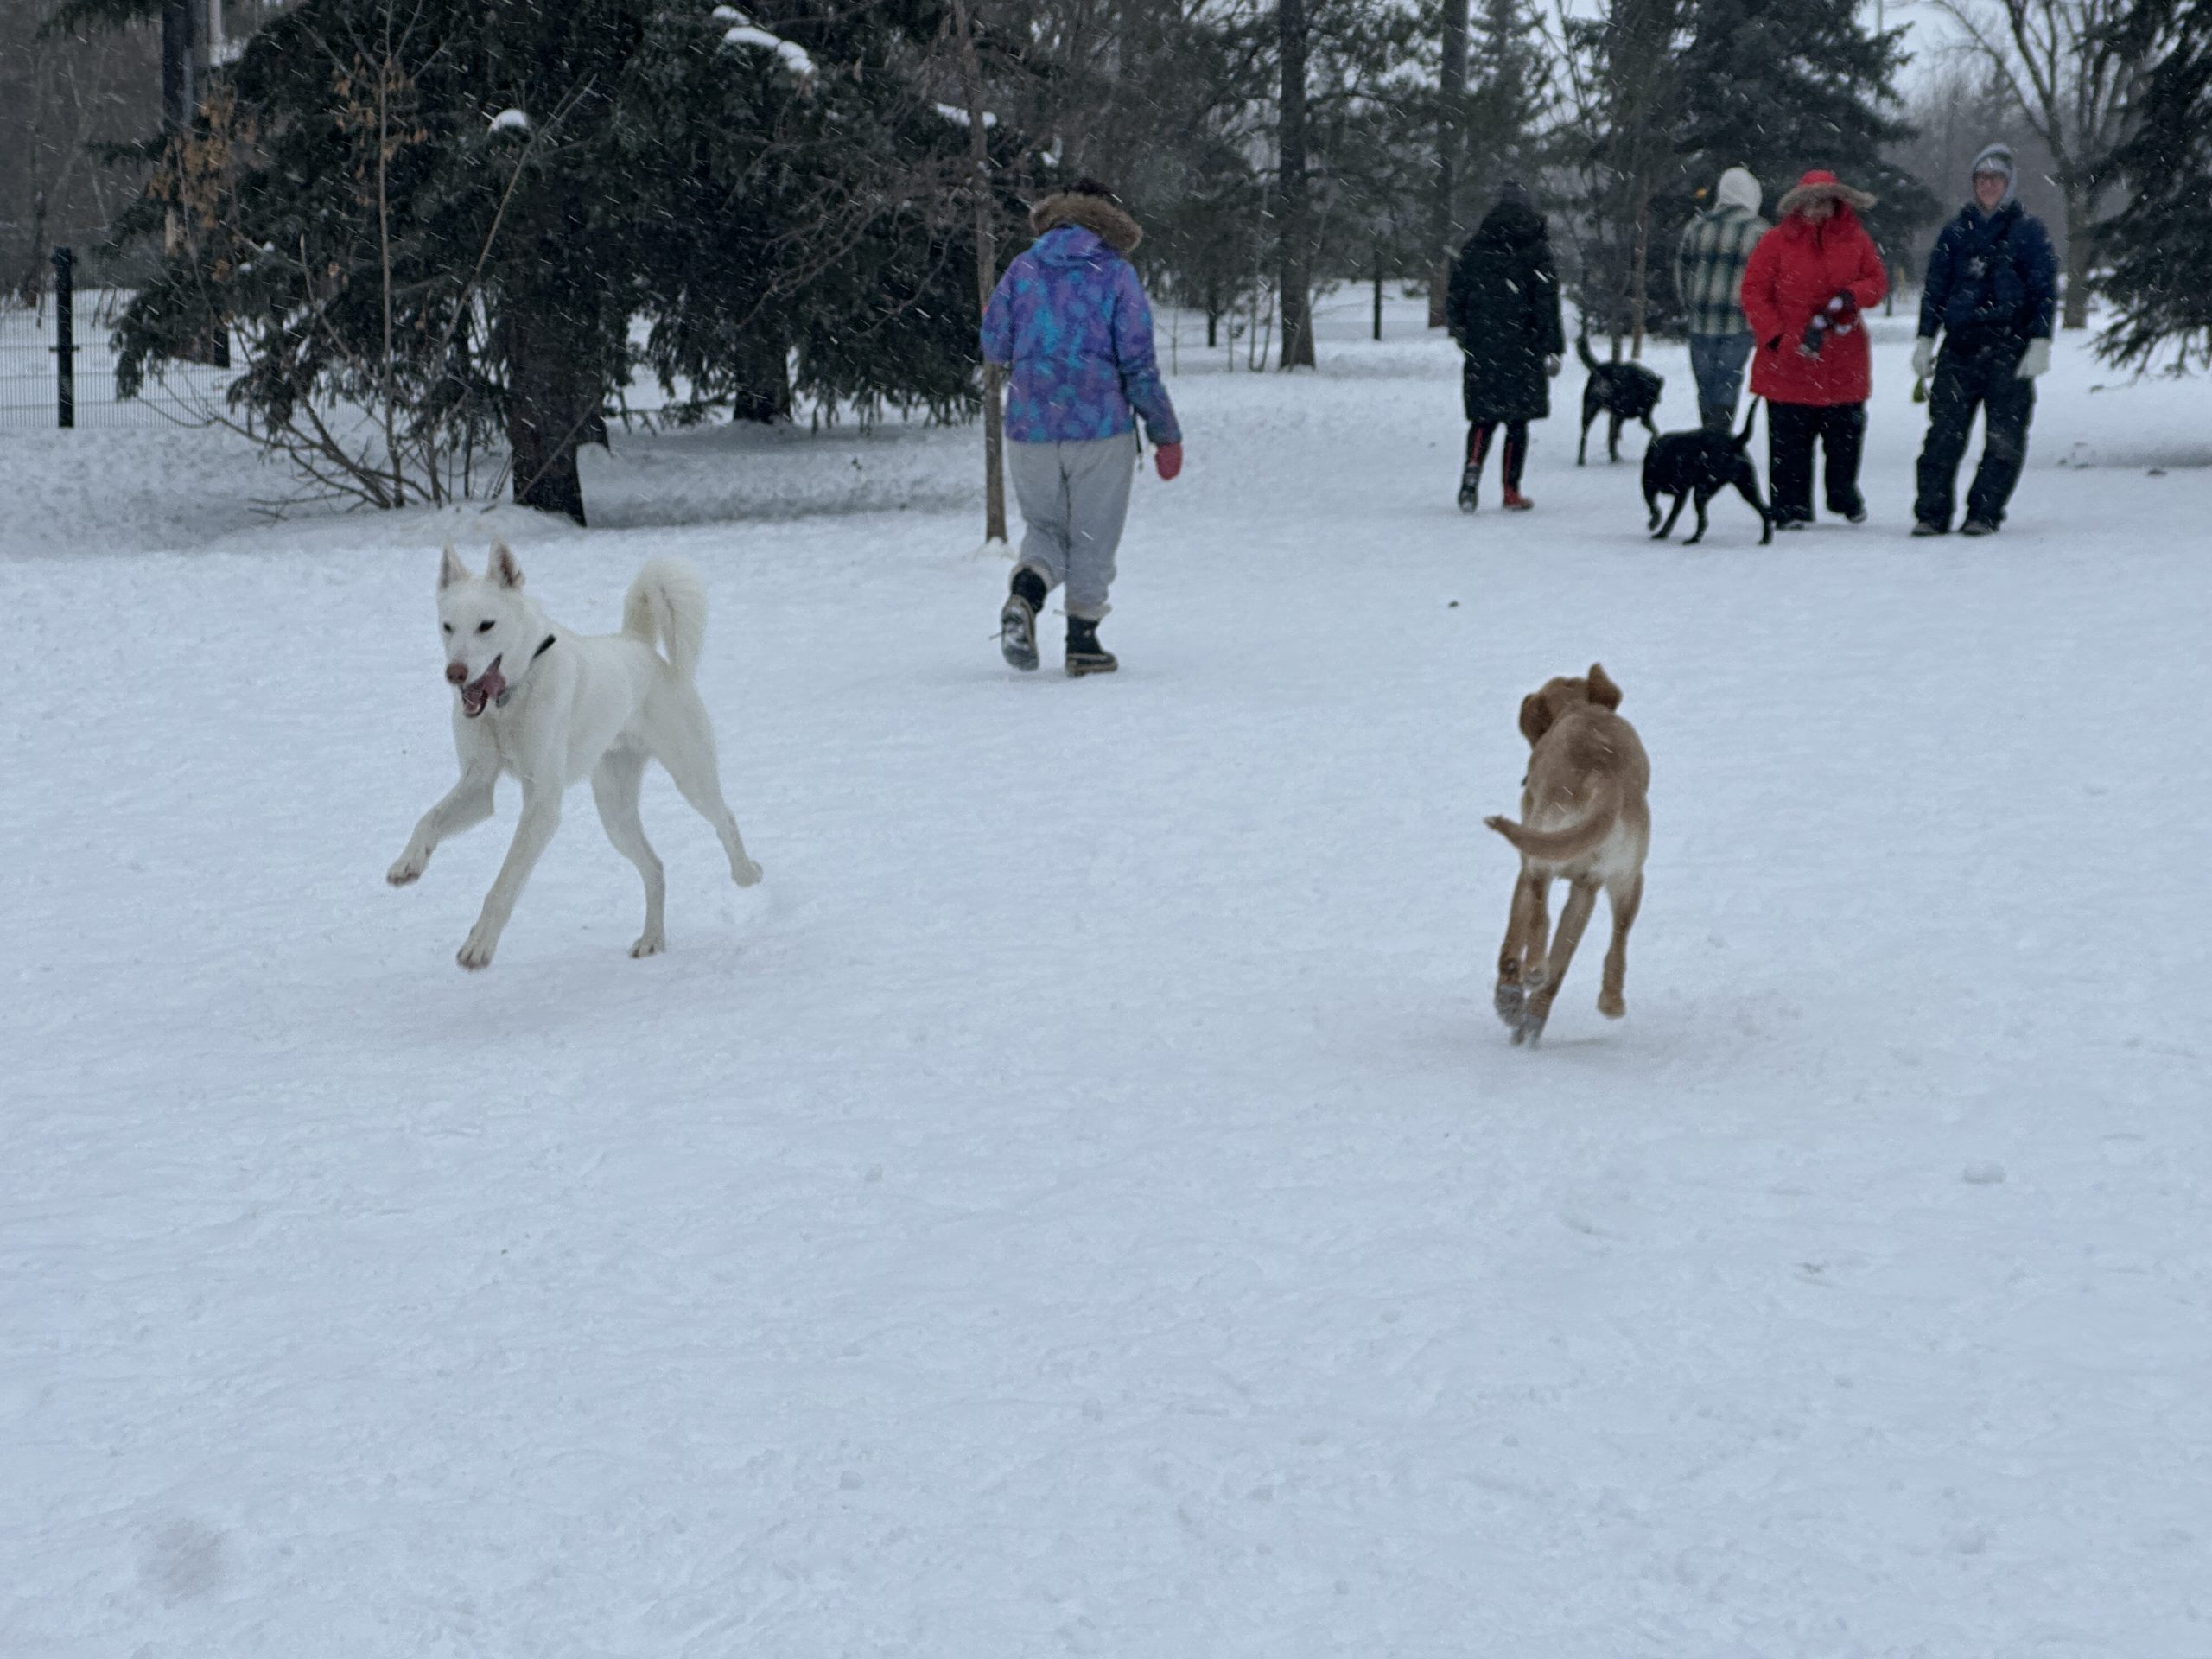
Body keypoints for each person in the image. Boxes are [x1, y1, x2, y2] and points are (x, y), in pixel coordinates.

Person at [982, 179, 1182, 677]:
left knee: (1045, 530)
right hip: (1100, 428)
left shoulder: (1021, 269)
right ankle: (1084, 641)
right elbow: (1138, 364)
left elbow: (994, 347)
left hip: (1030, 426)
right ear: (1110, 220)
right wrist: (1165, 433)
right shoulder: (1116, 275)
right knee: (1092, 535)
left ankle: (1025, 598)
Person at [1910, 143, 2057, 537]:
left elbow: (2044, 290)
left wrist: (2041, 339)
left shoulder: (2029, 232)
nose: (1987, 185)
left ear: (2008, 184)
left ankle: (1985, 512)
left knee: (2004, 438)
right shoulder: (1956, 231)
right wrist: (1926, 337)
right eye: (1981, 178)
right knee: (1943, 435)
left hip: (2010, 347)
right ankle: (1932, 513)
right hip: (1960, 347)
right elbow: (1936, 289)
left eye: (1995, 178)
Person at [1738, 169, 1887, 531]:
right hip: (1790, 359)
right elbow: (1753, 292)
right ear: (1799, 205)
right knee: (1789, 442)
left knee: (1845, 440)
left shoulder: (1857, 240)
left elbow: (1877, 282)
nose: (1818, 209)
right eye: (1811, 202)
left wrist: (1852, 295)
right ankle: (1789, 507)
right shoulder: (1775, 242)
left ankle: (1842, 494)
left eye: (1824, 201)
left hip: (1844, 358)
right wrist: (1774, 336)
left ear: (1837, 202)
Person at [1446, 181, 1565, 512]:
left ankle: (1472, 472)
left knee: (1483, 417)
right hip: (1523, 346)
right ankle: (1510, 489)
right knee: (1517, 420)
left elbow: (1457, 294)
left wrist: (1462, 331)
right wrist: (1551, 346)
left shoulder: (1475, 247)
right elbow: (1546, 302)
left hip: (1483, 345)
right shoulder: (1536, 249)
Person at [1673, 166, 1770, 432]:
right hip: (1738, 324)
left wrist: (1690, 308)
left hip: (1701, 324)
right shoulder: (1759, 230)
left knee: (1705, 385)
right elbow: (1768, 280)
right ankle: (1721, 436)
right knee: (1728, 382)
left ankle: (1707, 435)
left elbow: (1682, 272)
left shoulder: (1697, 226)